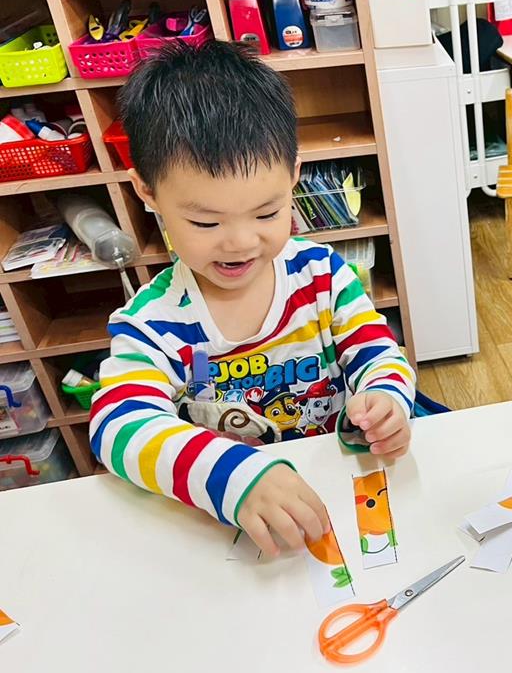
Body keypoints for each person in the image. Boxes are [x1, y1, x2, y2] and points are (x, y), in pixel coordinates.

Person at [89, 41, 414, 557]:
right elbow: (117, 427)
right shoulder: (151, 324)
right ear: (147, 192)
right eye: (205, 222)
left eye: (267, 213)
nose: (241, 242)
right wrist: (231, 476)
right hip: (235, 523)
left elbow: (379, 354)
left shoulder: (324, 276)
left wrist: (386, 399)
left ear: (294, 175)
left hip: (340, 489)